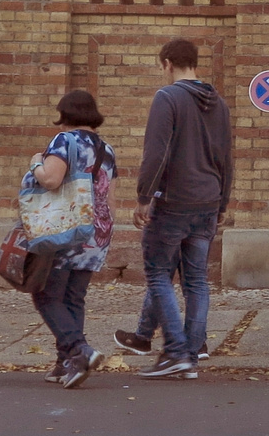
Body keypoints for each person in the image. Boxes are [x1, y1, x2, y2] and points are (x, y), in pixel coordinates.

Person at [130, 38, 232, 379]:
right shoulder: (219, 104)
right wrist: (223, 202)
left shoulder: (167, 98)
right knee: (197, 281)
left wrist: (144, 196)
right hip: (208, 200)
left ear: (168, 63)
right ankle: (192, 350)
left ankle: (175, 352)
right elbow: (225, 158)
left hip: (174, 201)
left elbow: (155, 152)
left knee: (159, 274)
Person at [27, 89, 116, 388]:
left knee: (46, 295)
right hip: (96, 231)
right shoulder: (107, 148)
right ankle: (65, 364)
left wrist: (36, 163)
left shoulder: (64, 141)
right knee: (73, 297)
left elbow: (50, 179)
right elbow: (110, 198)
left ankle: (80, 351)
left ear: (64, 114)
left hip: (64, 230)